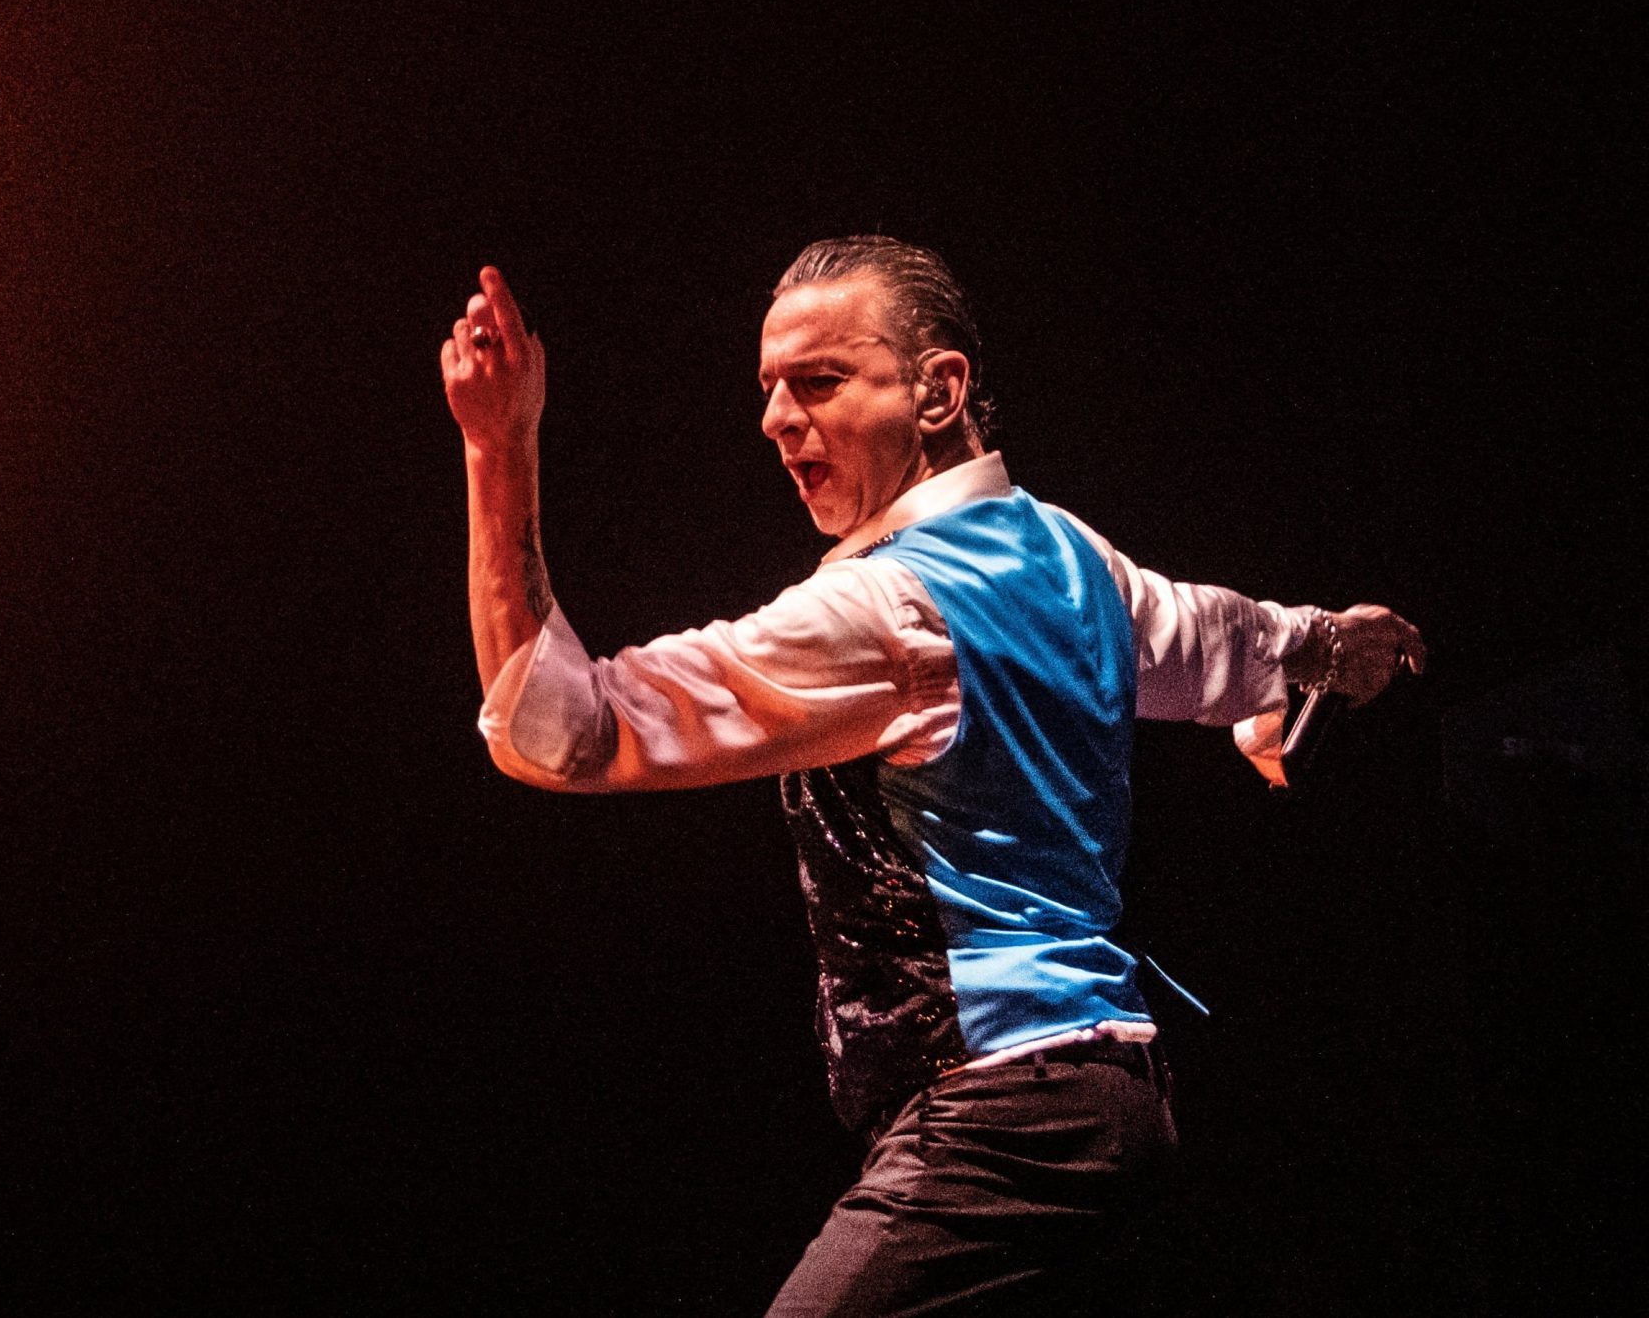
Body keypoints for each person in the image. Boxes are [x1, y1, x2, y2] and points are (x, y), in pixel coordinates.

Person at [438, 236, 1423, 1316]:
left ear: (938, 389)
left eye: (818, 381)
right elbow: (1229, 639)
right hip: (1118, 1099)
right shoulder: (1074, 556)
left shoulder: (886, 611)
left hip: (1004, 1115)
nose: (774, 418)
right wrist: (1330, 645)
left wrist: (499, 449)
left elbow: (563, 727)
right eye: (768, 389)